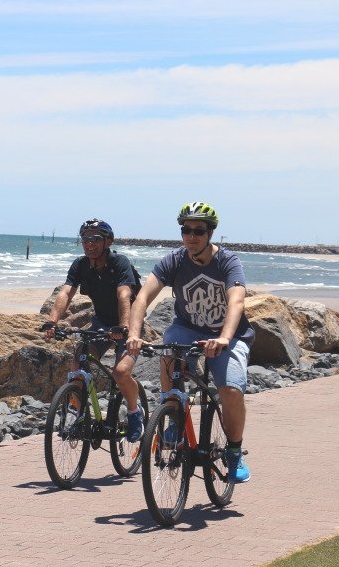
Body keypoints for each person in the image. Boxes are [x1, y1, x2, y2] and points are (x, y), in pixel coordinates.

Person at [126, 201, 254, 483]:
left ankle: (234, 452)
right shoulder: (173, 261)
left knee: (231, 390)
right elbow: (143, 297)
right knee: (169, 350)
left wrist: (223, 337)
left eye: (199, 231)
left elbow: (237, 301)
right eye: (186, 230)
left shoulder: (228, 262)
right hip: (187, 328)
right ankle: (172, 416)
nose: (191, 236)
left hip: (228, 334)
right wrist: (134, 334)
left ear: (210, 233)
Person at [41, 218, 145, 442]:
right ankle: (78, 414)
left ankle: (135, 413)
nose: (89, 244)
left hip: (128, 325)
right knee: (79, 361)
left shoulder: (120, 263)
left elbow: (124, 295)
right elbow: (66, 292)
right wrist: (52, 321)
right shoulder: (80, 265)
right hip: (101, 323)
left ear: (108, 241)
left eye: (96, 239)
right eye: (85, 239)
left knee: (121, 372)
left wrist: (124, 327)